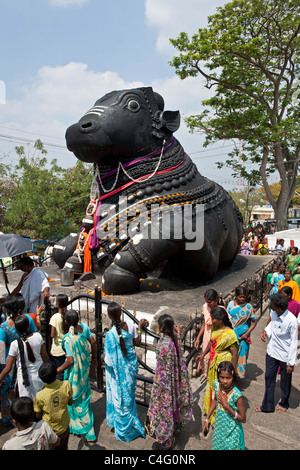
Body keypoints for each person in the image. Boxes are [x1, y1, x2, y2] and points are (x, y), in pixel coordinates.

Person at [146, 314, 194, 450]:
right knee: (173, 405)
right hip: (175, 379)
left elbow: (162, 367)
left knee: (164, 410)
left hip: (164, 383)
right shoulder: (174, 339)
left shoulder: (164, 345)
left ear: (161, 328)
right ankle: (174, 430)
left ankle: (167, 441)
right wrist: (178, 333)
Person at [104, 302, 146, 443]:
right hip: (131, 368)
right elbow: (138, 343)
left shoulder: (110, 335)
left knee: (120, 399)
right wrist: (139, 327)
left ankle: (124, 428)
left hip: (118, 373)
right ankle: (131, 425)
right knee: (129, 396)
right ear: (121, 313)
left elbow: (109, 361)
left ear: (109, 316)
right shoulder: (130, 325)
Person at [57, 310, 96, 442]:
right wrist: (95, 358)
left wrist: (58, 369)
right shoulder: (84, 329)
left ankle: (83, 429)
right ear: (78, 319)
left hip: (74, 374)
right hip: (84, 371)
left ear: (66, 322)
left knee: (74, 399)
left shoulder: (68, 339)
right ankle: (83, 428)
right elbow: (92, 342)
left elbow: (70, 360)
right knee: (83, 399)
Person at [255, 293, 298, 413]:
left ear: (279, 307)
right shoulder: (274, 313)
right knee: (269, 378)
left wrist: (291, 363)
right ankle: (267, 406)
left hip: (285, 355)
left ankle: (284, 402)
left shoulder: (292, 320)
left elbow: (294, 342)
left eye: (272, 305)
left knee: (285, 381)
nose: (270, 306)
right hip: (271, 352)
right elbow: (271, 326)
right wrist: (265, 331)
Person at [0, 294, 37, 426]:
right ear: (20, 308)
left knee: (8, 392)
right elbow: (35, 335)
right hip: (28, 357)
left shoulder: (4, 327)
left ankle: (10, 418)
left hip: (10, 362)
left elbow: (1, 351)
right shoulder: (27, 319)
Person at [201, 307, 239, 425]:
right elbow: (211, 342)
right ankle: (210, 411)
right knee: (213, 386)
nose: (211, 320)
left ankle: (220, 413)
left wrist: (231, 372)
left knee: (222, 388)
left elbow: (234, 354)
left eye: (213, 318)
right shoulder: (214, 328)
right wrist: (203, 355)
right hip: (214, 362)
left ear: (221, 319)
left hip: (224, 363)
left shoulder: (230, 334)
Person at [0, 315, 48, 401]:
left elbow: (8, 368)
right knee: (41, 404)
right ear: (28, 326)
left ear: (16, 330)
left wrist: (0, 377)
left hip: (25, 382)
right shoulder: (38, 336)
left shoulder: (15, 344)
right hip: (40, 376)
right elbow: (45, 357)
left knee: (26, 407)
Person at [203, 361, 246, 450]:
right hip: (219, 428)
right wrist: (207, 418)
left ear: (233, 377)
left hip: (231, 431)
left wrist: (227, 407)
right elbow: (215, 400)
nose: (225, 381)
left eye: (228, 378)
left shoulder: (237, 395)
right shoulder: (217, 385)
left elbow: (243, 418)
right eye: (222, 377)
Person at [34, 361, 73, 450]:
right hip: (64, 426)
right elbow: (70, 402)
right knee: (63, 447)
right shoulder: (66, 385)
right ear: (56, 374)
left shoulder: (40, 395)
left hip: (49, 430)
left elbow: (38, 415)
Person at [194, 289, 226, 378]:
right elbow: (205, 323)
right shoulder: (205, 307)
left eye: (210, 302)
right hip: (207, 337)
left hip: (216, 339)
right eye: (206, 302)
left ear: (216, 300)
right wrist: (198, 337)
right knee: (206, 359)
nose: (208, 304)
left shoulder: (221, 311)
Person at [227, 286, 257, 379]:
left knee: (242, 355)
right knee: (230, 354)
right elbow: (227, 317)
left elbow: (254, 321)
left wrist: (246, 333)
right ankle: (229, 374)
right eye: (240, 297)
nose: (242, 299)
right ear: (236, 296)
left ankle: (238, 375)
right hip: (232, 334)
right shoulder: (231, 304)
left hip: (243, 336)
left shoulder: (248, 307)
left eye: (244, 297)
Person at [49, 294, 69, 380]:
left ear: (57, 304)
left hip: (57, 349)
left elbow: (52, 335)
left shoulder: (55, 317)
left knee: (60, 373)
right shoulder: (68, 316)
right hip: (67, 349)